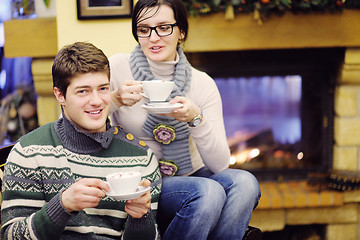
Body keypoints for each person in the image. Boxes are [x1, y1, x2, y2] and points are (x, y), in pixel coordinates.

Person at [109, 0, 261, 238]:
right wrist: (115, 99)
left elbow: (220, 165)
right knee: (208, 192)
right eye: (144, 29)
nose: (153, 37)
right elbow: (78, 116)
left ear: (181, 32)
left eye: (164, 27)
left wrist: (195, 119)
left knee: (245, 183)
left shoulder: (202, 84)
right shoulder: (117, 68)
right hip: (144, 178)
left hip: (193, 173)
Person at [1, 42, 161, 239]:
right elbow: (10, 236)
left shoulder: (142, 158)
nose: (96, 101)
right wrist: (62, 205)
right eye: (83, 91)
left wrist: (140, 219)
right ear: (59, 95)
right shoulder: (29, 152)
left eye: (103, 88)